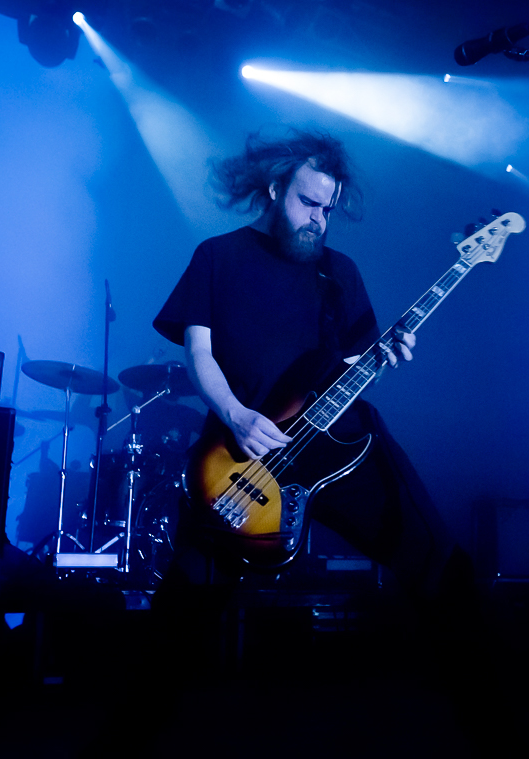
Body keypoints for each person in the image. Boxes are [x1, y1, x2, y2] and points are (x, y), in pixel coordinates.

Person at [152, 128, 471, 611]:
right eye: (307, 203)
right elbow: (198, 353)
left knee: (438, 563)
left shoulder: (339, 273)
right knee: (188, 600)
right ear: (275, 188)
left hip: (338, 447)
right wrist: (236, 415)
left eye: (328, 209)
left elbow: (353, 370)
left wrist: (383, 359)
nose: (318, 219)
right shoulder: (218, 257)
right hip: (241, 450)